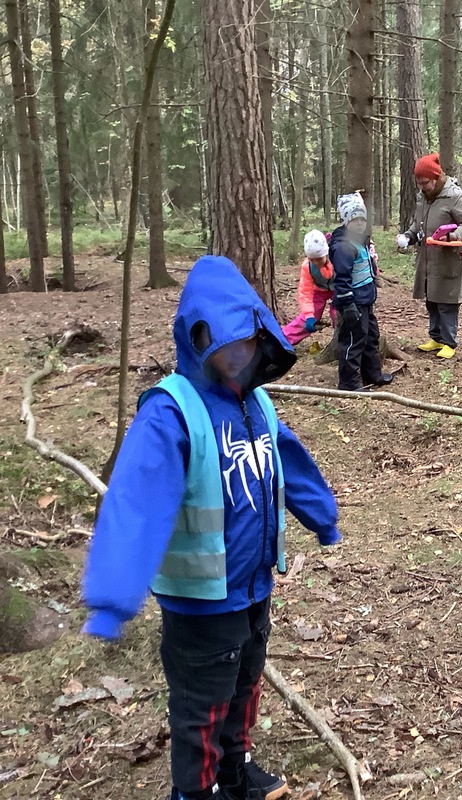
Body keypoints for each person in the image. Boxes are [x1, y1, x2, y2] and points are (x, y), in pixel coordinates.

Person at [82, 255, 342, 800]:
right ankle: (196, 793)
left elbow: (287, 464)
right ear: (196, 339)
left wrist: (322, 516)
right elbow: (135, 504)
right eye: (221, 344)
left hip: (252, 587)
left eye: (245, 342)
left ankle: (235, 774)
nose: (236, 356)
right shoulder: (171, 412)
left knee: (245, 685)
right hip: (199, 603)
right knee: (201, 705)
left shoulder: (258, 405)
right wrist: (113, 597)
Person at [396, 153, 462, 360]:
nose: (422, 186)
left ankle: (449, 342)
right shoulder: (423, 197)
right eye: (419, 183)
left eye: (426, 182)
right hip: (428, 258)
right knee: (431, 298)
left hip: (449, 258)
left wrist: (452, 236)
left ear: (436, 177)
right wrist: (408, 236)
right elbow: (418, 224)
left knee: (447, 301)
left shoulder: (455, 196)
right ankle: (436, 338)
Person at [332, 192, 393, 392]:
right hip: (353, 303)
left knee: (370, 338)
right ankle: (349, 383)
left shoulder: (361, 241)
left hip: (365, 300)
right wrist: (347, 303)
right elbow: (341, 279)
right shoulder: (343, 246)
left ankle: (372, 373)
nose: (359, 223)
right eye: (354, 219)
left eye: (362, 219)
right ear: (346, 220)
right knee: (353, 341)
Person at [281, 229, 335, 346]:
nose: (315, 262)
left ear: (325, 253)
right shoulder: (307, 266)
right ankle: (282, 340)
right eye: (312, 259)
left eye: (319, 258)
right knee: (305, 320)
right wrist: (310, 316)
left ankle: (344, 339)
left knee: (338, 313)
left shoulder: (336, 258)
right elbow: (305, 292)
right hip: (319, 290)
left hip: (338, 289)